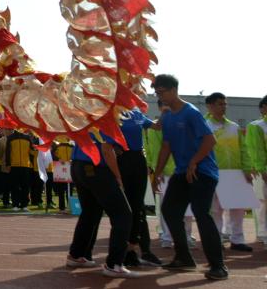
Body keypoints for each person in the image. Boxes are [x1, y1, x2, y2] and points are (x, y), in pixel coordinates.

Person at [152, 74, 227, 281]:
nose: (160, 97)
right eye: (157, 93)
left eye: (162, 92)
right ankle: (184, 257)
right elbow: (166, 146)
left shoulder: (191, 112)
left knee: (201, 213)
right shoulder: (167, 116)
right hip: (182, 172)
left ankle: (218, 266)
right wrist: (157, 173)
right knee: (169, 209)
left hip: (203, 172)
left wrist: (194, 161)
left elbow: (210, 141)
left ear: (174, 90)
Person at [65, 130, 133, 278]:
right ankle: (114, 264)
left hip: (78, 166)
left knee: (90, 212)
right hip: (96, 168)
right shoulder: (104, 114)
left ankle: (77, 254)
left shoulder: (87, 113)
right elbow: (106, 149)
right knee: (123, 215)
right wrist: (118, 176)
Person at [204, 92, 254, 252]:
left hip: (235, 172)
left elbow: (244, 149)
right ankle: (216, 239)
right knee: (216, 209)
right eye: (220, 104)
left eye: (225, 104)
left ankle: (237, 240)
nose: (223, 107)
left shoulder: (234, 126)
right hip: (215, 173)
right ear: (210, 106)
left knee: (238, 208)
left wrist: (247, 168)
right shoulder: (205, 126)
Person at [116, 108, 162, 267]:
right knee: (128, 208)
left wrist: (167, 112)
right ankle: (126, 252)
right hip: (122, 159)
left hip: (138, 160)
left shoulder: (137, 113)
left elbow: (156, 126)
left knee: (139, 208)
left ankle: (141, 251)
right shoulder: (113, 110)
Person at [245, 94, 267, 244]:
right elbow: (255, 150)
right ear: (263, 108)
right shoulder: (256, 126)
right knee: (263, 202)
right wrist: (262, 169)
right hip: (262, 169)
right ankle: (263, 234)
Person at [5, 127, 34, 211]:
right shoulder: (10, 138)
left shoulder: (27, 137)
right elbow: (8, 152)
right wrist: (8, 164)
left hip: (26, 165)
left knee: (25, 186)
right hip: (14, 165)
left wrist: (38, 150)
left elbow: (31, 151)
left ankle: (24, 205)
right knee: (14, 186)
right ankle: (15, 205)